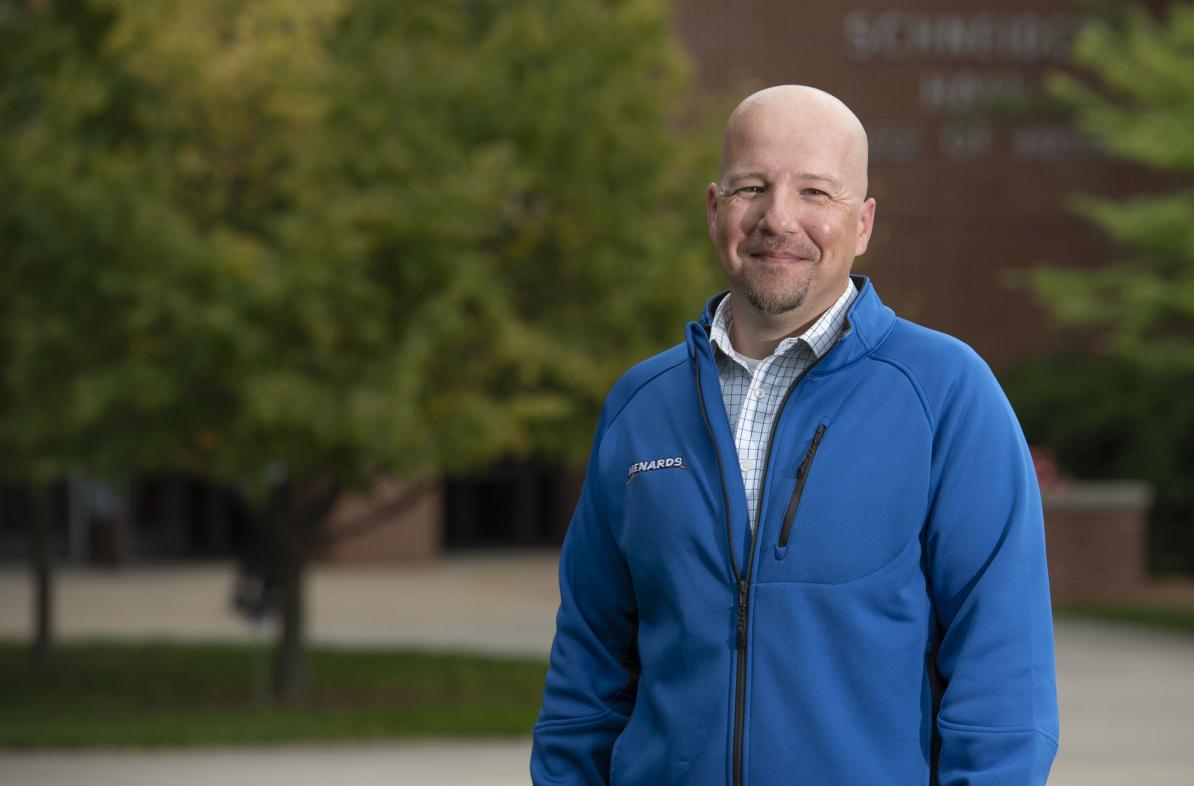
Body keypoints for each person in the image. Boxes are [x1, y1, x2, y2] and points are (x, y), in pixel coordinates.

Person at [530, 85, 1059, 786]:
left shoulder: (947, 396)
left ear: (863, 222)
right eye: (753, 187)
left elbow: (1004, 688)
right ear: (715, 209)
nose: (779, 218)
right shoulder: (640, 406)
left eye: (815, 192)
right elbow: (587, 671)